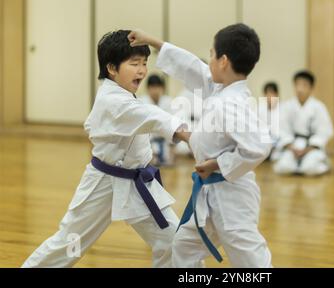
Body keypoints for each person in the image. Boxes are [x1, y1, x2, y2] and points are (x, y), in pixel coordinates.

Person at [22, 30, 190, 268]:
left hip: (138, 183)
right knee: (70, 244)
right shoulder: (113, 100)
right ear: (112, 68)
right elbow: (152, 117)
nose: (142, 70)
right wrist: (189, 135)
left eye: (144, 63)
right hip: (103, 181)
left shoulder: (125, 96)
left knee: (175, 241)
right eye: (134, 63)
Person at [128, 23, 273, 268]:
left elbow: (259, 147)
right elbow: (192, 68)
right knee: (183, 248)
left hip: (232, 198)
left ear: (223, 61)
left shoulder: (231, 103)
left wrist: (218, 163)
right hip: (211, 195)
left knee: (252, 262)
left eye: (211, 54)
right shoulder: (221, 89)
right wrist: (152, 41)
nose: (208, 61)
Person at [273, 71, 334, 176]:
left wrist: (309, 148)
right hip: (293, 145)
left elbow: (324, 131)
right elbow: (281, 129)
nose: (300, 89)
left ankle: (323, 164)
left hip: (311, 146)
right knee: (284, 167)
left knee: (309, 169)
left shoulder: (319, 107)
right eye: (297, 85)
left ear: (311, 88)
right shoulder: (287, 106)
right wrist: (290, 146)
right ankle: (297, 166)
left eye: (304, 85)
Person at [140, 74, 174, 165]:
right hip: (148, 141)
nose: (155, 90)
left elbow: (171, 125)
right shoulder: (142, 102)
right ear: (148, 89)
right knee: (152, 161)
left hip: (164, 139)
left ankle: (165, 155)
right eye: (152, 87)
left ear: (162, 88)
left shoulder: (168, 101)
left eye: (158, 87)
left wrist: (172, 149)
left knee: (169, 161)